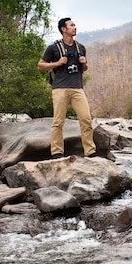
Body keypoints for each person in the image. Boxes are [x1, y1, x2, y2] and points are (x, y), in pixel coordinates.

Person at [38, 17, 98, 159]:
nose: (75, 27)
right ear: (63, 29)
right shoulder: (53, 48)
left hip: (77, 88)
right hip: (60, 88)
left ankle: (90, 151)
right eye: (71, 25)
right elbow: (40, 66)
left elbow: (84, 68)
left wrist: (84, 64)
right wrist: (58, 63)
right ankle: (57, 152)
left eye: (75, 25)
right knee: (58, 121)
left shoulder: (80, 47)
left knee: (86, 120)